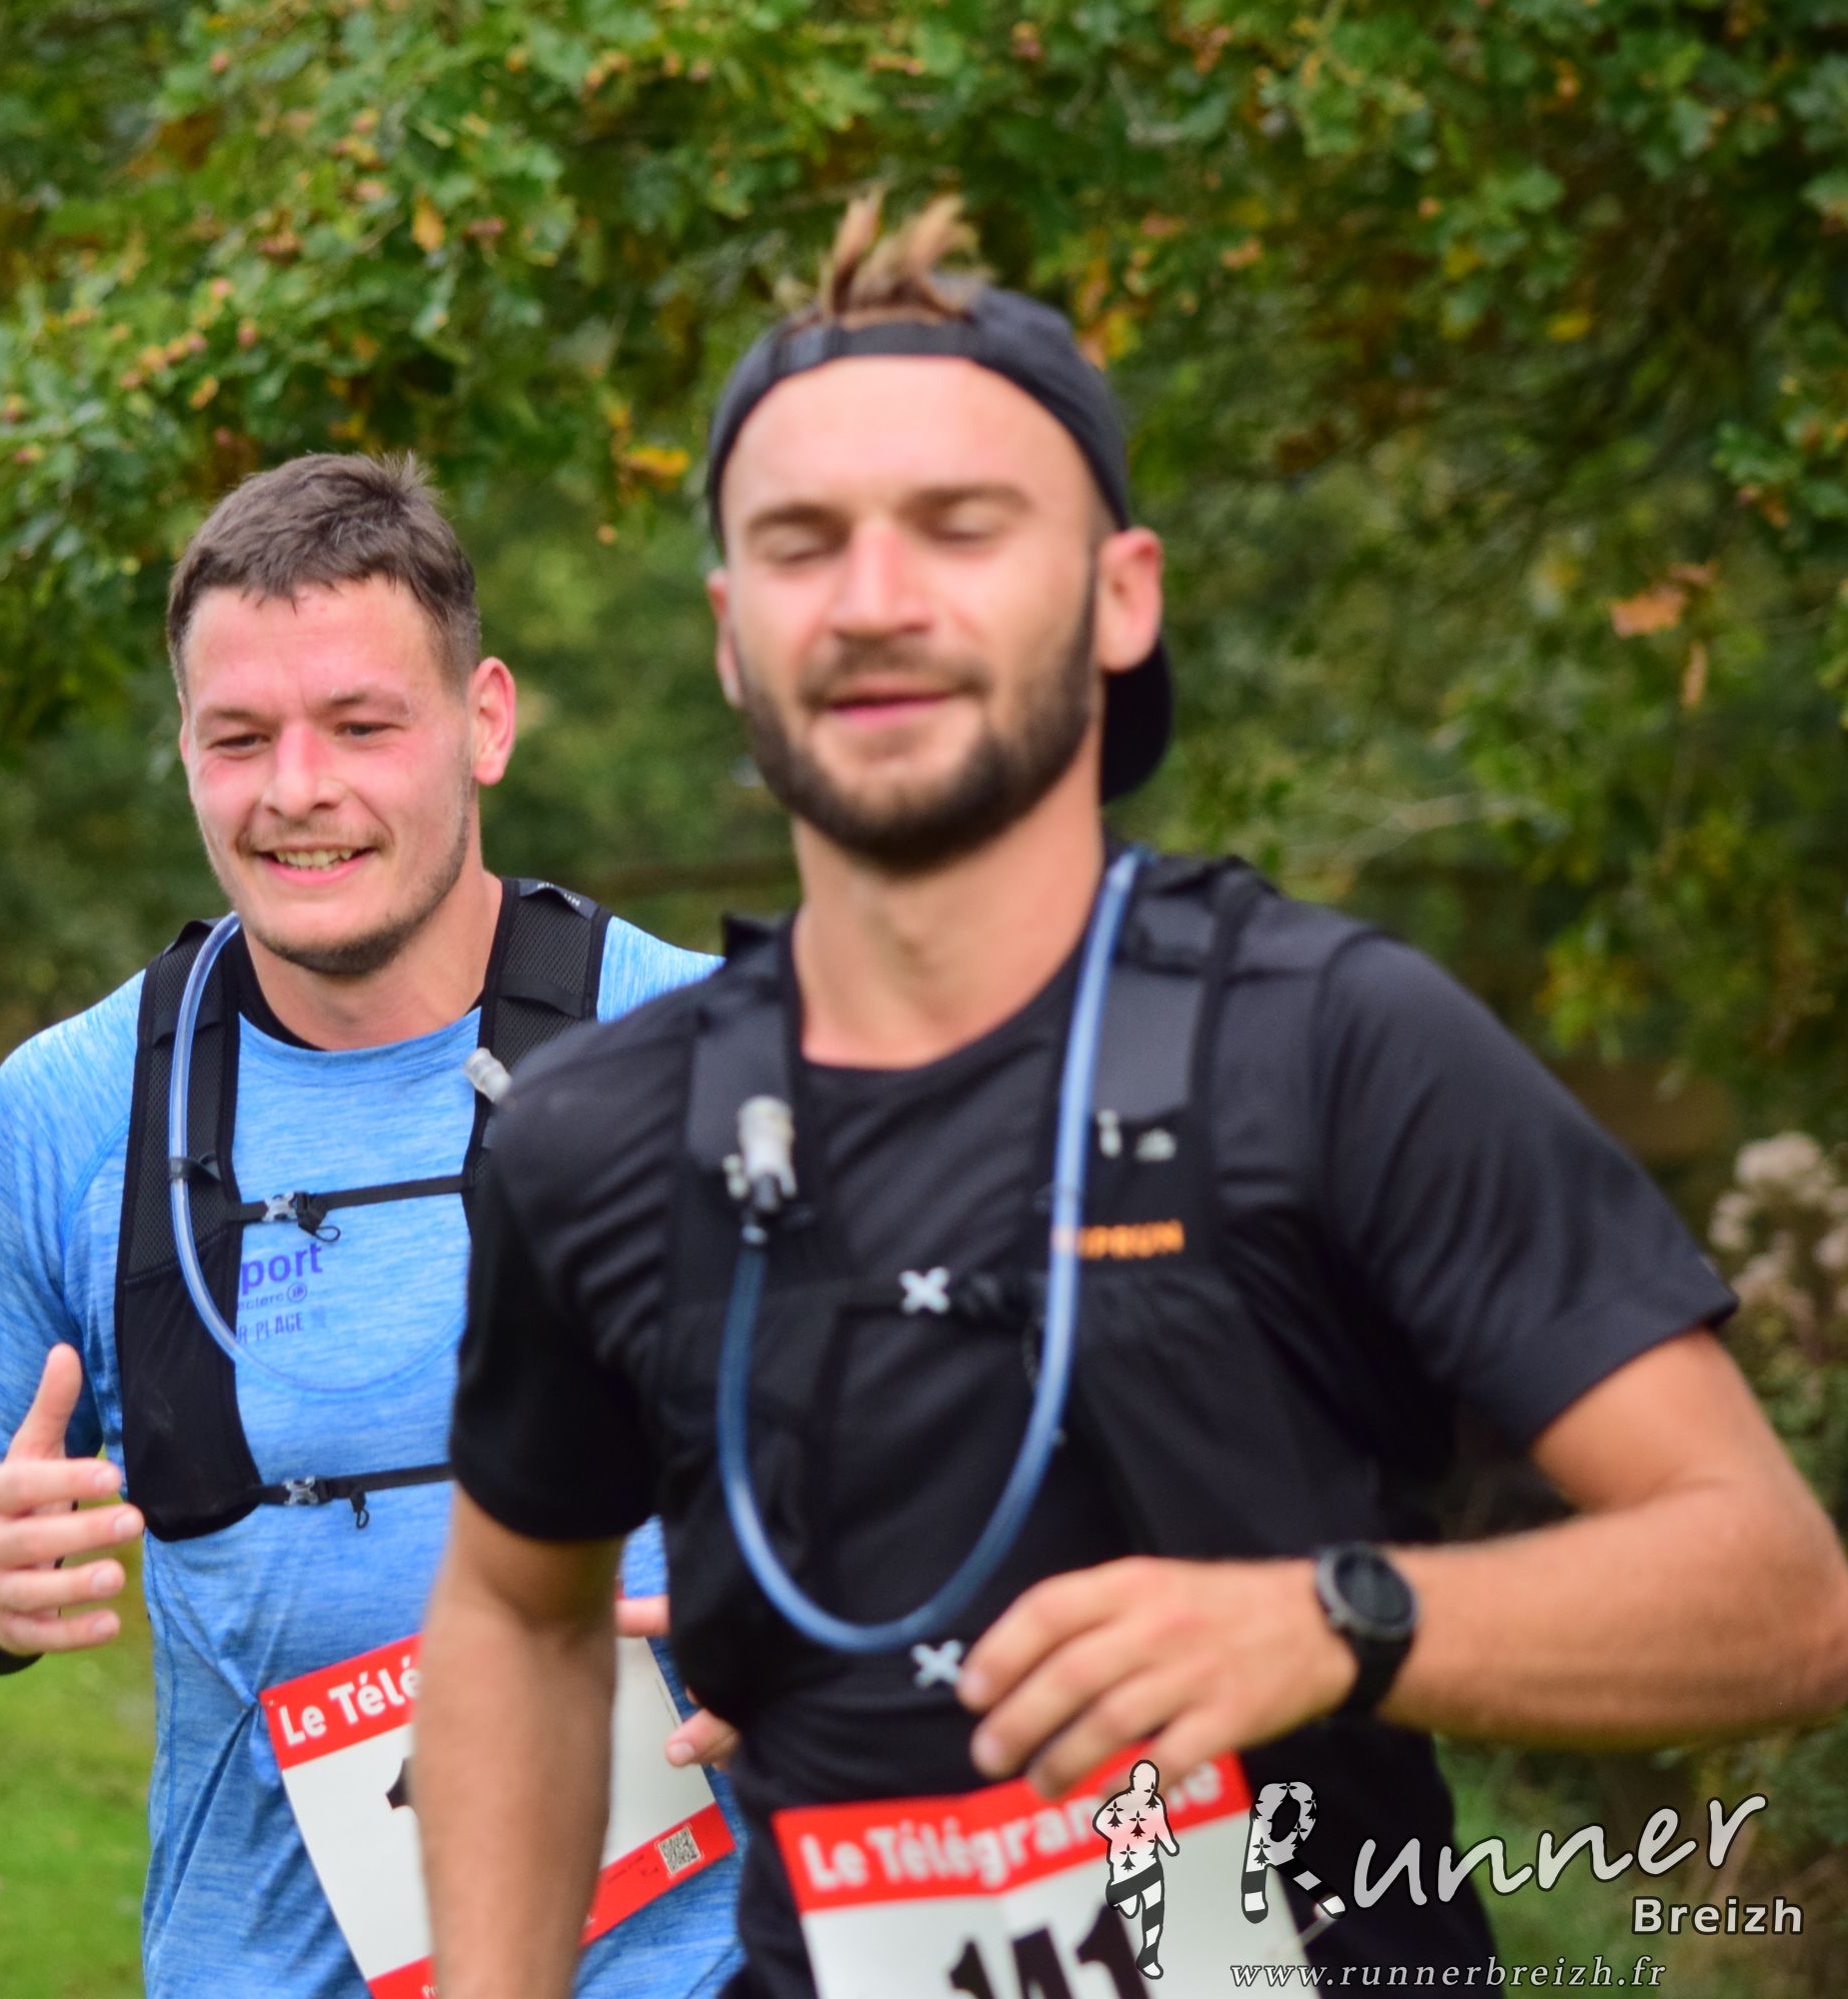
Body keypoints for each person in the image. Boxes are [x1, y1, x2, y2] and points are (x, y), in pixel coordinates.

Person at [413, 192, 1848, 1996]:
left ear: (1120, 595)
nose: (874, 600)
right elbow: (511, 1612)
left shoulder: (1335, 1044)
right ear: (726, 628)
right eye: (799, 542)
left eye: (961, 527)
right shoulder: (598, 1137)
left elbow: (1781, 1596)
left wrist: (1333, 1621)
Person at [0, 455, 745, 1996]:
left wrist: (837, 1639)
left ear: (484, 721)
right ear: (185, 753)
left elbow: (965, 1479)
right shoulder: (72, 1106)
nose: (296, 789)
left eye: (360, 725)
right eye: (239, 738)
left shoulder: (716, 1051)